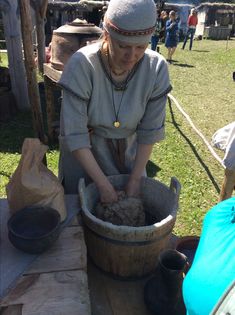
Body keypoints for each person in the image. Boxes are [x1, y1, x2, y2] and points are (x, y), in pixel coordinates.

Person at [58, 0, 172, 202]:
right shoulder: (82, 66)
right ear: (107, 35)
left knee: (134, 206)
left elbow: (149, 132)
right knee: (80, 211)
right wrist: (102, 185)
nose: (131, 56)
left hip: (128, 151)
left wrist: (135, 180)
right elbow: (75, 134)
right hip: (85, 153)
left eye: (141, 47)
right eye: (123, 46)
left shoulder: (156, 68)